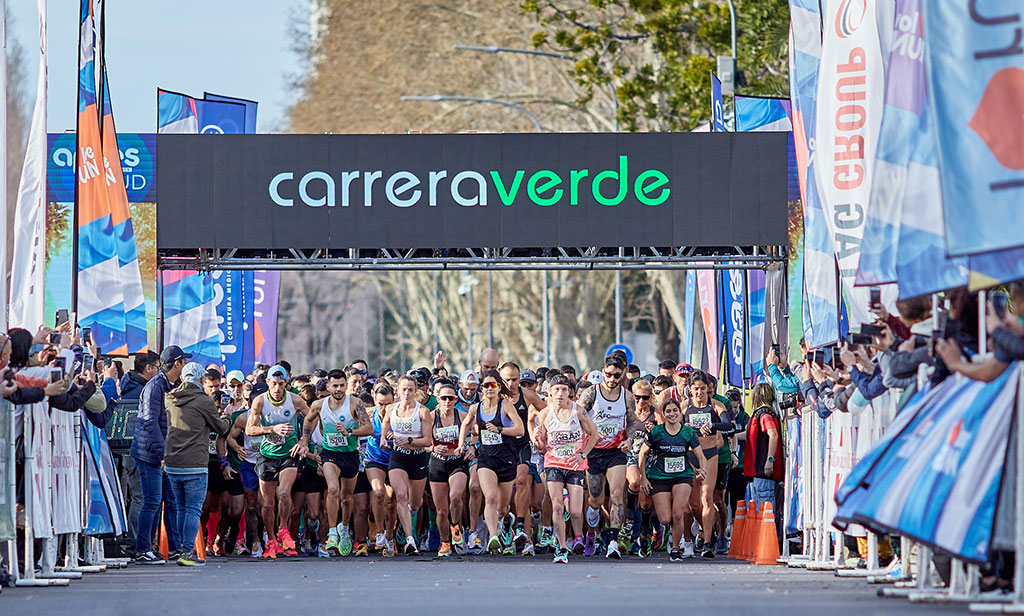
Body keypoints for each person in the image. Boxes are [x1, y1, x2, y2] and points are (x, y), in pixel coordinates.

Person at [299, 369, 372, 556]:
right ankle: (332, 533)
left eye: (341, 385)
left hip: (350, 455)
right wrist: (304, 441)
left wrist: (350, 432)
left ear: (346, 385)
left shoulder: (355, 403)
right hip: (329, 454)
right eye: (335, 386)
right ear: (328, 386)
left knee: (347, 498)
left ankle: (344, 528)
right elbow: (308, 420)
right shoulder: (319, 405)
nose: (338, 389)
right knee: (333, 490)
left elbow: (369, 428)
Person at [163, 363, 231, 566]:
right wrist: (227, 416)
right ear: (201, 380)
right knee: (193, 509)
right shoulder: (203, 400)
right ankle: (186, 552)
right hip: (195, 463)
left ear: (182, 378)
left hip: (172, 461)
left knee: (181, 508)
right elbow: (221, 428)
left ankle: (180, 549)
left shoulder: (169, 397)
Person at [531, 374, 600, 564]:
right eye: (556, 389)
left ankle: (577, 537)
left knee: (576, 511)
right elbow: (541, 447)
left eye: (563, 389)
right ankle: (561, 548)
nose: (560, 393)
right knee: (557, 506)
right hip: (553, 464)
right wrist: (537, 438)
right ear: (550, 392)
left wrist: (583, 454)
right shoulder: (545, 414)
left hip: (575, 465)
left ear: (569, 391)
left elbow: (594, 434)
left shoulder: (578, 412)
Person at [131, 345, 190, 564]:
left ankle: (174, 548)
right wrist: (162, 454)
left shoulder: (170, 385)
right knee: (152, 501)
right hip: (148, 453)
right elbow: (150, 422)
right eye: (184, 362)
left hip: (161, 452)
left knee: (171, 500)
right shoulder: (155, 386)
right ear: (177, 363)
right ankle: (142, 549)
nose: (185, 366)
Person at [575, 355, 638, 558]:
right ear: (603, 372)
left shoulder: (627, 396)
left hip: (616, 451)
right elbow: (577, 416)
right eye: (608, 374)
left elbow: (632, 422)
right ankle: (591, 533)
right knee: (596, 499)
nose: (611, 379)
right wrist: (592, 431)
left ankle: (613, 541)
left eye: (616, 375)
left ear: (623, 374)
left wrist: (629, 440)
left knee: (617, 494)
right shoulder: (591, 393)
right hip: (594, 451)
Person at [245, 365, 311, 558]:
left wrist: (304, 440)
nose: (277, 388)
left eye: (281, 384)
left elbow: (312, 417)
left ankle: (283, 529)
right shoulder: (259, 401)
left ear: (286, 383)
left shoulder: (295, 400)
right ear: (267, 382)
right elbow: (250, 429)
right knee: (267, 504)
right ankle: (272, 540)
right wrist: (272, 429)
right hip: (267, 455)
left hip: (289, 453)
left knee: (283, 493)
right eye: (273, 383)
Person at [457, 369, 524, 554]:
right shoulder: (476, 408)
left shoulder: (505, 405)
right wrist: (461, 444)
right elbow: (465, 424)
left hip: (506, 459)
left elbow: (520, 429)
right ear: (481, 388)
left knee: (501, 508)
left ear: (499, 387)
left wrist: (499, 429)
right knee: (491, 498)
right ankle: (493, 537)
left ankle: (505, 520)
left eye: (493, 385)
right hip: (486, 459)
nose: (489, 388)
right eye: (486, 385)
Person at [638, 397, 707, 561]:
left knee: (678, 514)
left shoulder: (688, 432)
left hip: (682, 475)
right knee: (665, 518)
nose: (672, 414)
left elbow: (701, 456)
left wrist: (703, 469)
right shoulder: (656, 432)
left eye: (675, 410)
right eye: (668, 411)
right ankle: (659, 532)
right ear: (663, 414)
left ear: (680, 413)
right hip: (659, 476)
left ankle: (675, 548)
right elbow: (642, 454)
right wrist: (643, 478)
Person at [380, 374, 433, 555]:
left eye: (410, 390)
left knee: (415, 504)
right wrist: (383, 438)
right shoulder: (391, 408)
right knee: (401, 495)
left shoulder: (422, 412)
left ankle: (404, 523)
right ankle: (410, 540)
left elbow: (427, 441)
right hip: (398, 457)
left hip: (417, 458)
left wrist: (409, 440)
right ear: (397, 391)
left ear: (415, 391)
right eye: (404, 389)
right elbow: (385, 424)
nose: (407, 393)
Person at [499, 361, 547, 555]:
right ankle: (506, 522)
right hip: (500, 447)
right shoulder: (495, 395)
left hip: (521, 446)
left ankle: (521, 526)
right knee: (504, 497)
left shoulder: (526, 395)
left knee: (521, 481)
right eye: (507, 380)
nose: (511, 384)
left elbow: (546, 411)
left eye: (515, 380)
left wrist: (540, 430)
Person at [682, 370, 730, 558]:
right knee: (693, 504)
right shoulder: (685, 406)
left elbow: (728, 424)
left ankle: (708, 543)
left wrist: (712, 426)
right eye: (696, 389)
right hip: (691, 455)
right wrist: (684, 427)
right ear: (690, 389)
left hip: (710, 454)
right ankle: (702, 532)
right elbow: (673, 425)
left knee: (706, 497)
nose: (699, 393)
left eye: (702, 388)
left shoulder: (715, 405)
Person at [117, 350, 160, 552]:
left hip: (131, 450)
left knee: (141, 497)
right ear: (148, 368)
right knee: (142, 498)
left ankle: (140, 542)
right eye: (157, 367)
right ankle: (137, 542)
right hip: (139, 451)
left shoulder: (129, 386)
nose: (159, 371)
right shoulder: (142, 391)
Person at [428, 382, 472, 557]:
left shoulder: (462, 415)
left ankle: (455, 526)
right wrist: (432, 448)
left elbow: (476, 433)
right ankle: (445, 542)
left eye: (451, 398)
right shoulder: (431, 417)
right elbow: (422, 441)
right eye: (444, 398)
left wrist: (472, 447)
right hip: (437, 463)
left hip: (457, 462)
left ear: (455, 400)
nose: (447, 401)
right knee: (441, 510)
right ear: (438, 399)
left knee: (455, 496)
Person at [225, 381, 266, 557]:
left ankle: (267, 536)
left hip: (269, 463)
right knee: (250, 506)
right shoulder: (243, 417)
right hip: (249, 465)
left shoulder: (276, 416)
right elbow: (230, 437)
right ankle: (254, 540)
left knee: (266, 504)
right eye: (255, 400)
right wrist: (237, 448)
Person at [625, 378, 659, 555]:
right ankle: (630, 515)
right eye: (637, 397)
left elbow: (666, 432)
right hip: (631, 455)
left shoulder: (655, 413)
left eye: (645, 398)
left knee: (646, 504)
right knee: (635, 481)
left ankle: (645, 534)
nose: (641, 401)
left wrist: (655, 430)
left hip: (650, 458)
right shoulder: (628, 412)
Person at [364, 381, 398, 556]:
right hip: (374, 459)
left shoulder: (400, 415)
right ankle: (378, 532)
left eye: (388, 404)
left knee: (391, 501)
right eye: (380, 404)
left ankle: (390, 536)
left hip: (395, 460)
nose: (384, 409)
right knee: (378, 492)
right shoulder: (368, 414)